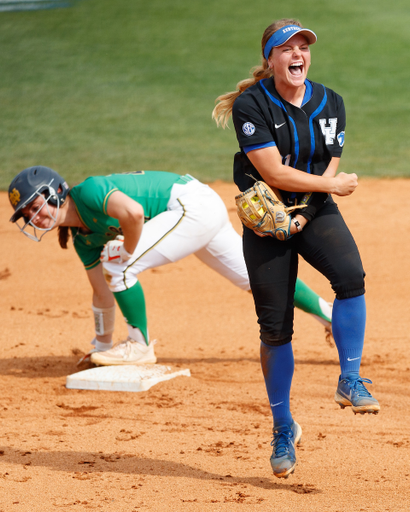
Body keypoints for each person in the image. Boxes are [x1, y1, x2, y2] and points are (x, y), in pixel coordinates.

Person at [212, 18, 379, 479]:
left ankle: (350, 378)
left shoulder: (331, 102)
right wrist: (324, 190)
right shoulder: (253, 104)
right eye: (287, 47)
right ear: (271, 58)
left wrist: (307, 211)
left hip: (313, 209)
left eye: (303, 45)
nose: (297, 53)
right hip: (267, 222)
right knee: (275, 328)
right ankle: (283, 426)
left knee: (351, 277)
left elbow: (329, 161)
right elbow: (274, 174)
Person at [8, 166, 332, 367]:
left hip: (192, 206)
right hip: (197, 212)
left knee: (117, 261)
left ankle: (139, 345)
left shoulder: (89, 191)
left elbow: (133, 214)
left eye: (35, 206)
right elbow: (101, 293)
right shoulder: (83, 239)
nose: (34, 217)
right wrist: (100, 348)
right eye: (27, 214)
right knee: (256, 280)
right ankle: (331, 316)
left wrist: (126, 252)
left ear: (56, 192)